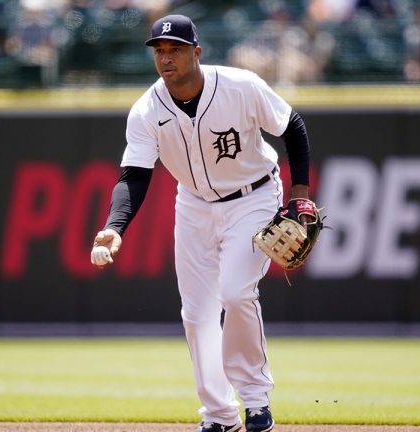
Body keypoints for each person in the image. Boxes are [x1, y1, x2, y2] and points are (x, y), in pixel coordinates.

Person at [90, 14, 313, 432]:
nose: (166, 58)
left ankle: (255, 400)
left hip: (254, 196)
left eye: (175, 49)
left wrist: (299, 194)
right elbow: (134, 176)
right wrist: (114, 226)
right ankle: (219, 415)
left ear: (196, 52)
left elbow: (292, 126)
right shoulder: (146, 111)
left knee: (234, 291)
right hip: (193, 204)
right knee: (196, 314)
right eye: (159, 51)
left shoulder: (240, 86)